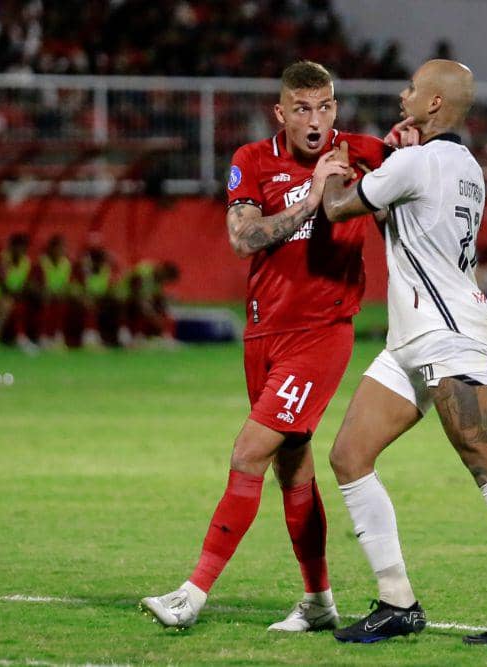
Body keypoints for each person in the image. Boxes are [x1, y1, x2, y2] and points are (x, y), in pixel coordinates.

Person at [140, 60, 392, 632]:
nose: (315, 120)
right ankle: (319, 600)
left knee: (248, 451)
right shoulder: (251, 160)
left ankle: (192, 594)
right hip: (263, 334)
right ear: (281, 113)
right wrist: (309, 197)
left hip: (322, 333)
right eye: (302, 109)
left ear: (335, 108)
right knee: (292, 467)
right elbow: (241, 239)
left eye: (325, 107)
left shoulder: (362, 153)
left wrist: (404, 143)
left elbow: (423, 172)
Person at [320, 59, 487, 645]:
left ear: (433, 106)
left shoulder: (418, 162)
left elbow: (340, 209)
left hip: (447, 337)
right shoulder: (464, 165)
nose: (402, 96)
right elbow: (399, 228)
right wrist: (391, 160)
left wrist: (333, 172)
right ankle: (398, 603)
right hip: (412, 337)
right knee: (349, 456)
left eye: (412, 90)